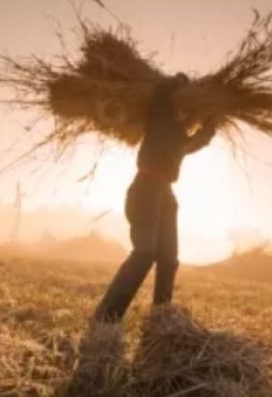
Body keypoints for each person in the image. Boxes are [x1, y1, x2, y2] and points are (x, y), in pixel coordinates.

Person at [93, 73, 219, 322]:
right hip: (146, 188)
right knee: (144, 253)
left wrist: (212, 122)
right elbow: (162, 93)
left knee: (169, 259)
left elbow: (196, 143)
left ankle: (161, 316)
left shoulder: (180, 133)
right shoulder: (159, 116)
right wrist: (178, 83)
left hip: (166, 193)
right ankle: (106, 315)